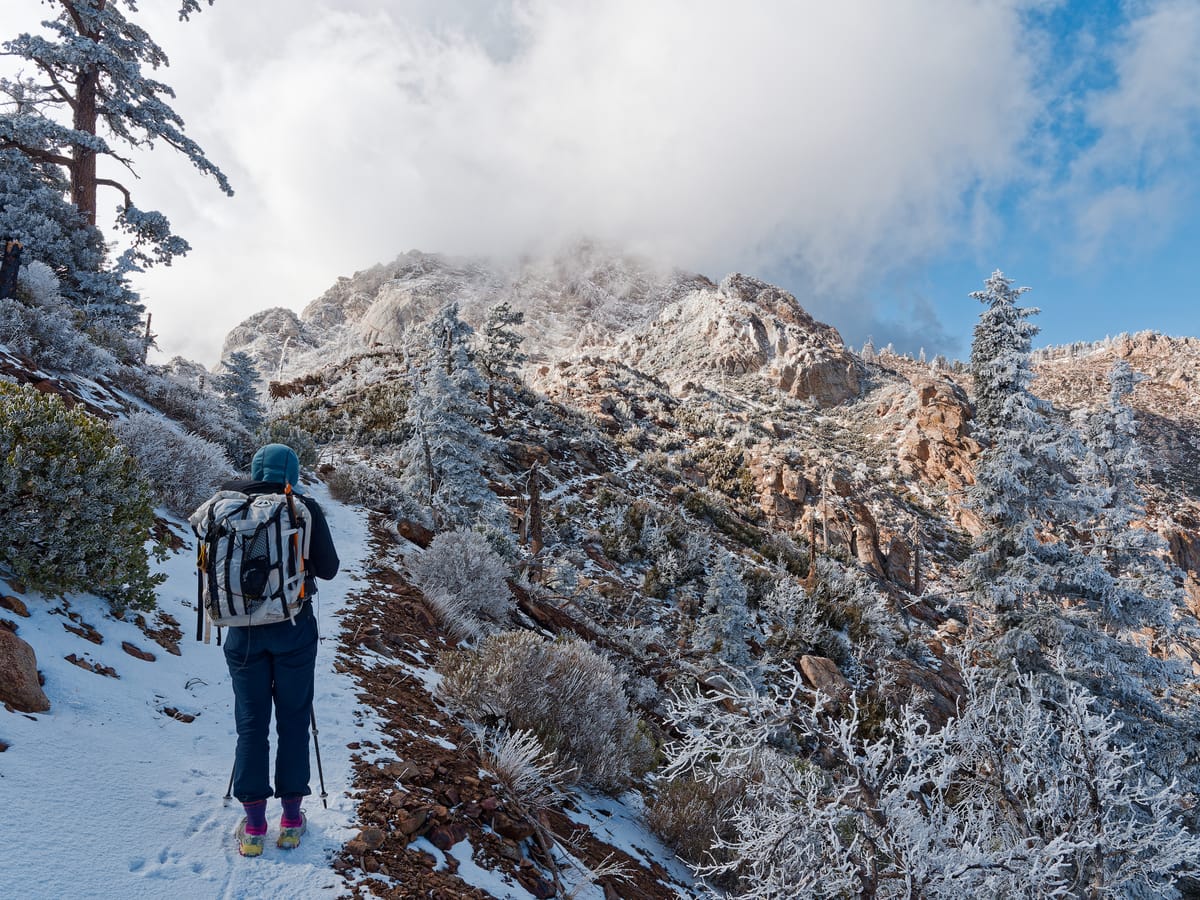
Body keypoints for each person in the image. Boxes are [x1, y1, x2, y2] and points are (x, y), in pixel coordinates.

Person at [222, 444, 339, 857]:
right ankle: (291, 820)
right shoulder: (301, 507)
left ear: (254, 469)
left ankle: (254, 827)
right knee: (293, 719)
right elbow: (328, 568)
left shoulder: (229, 505)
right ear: (293, 472)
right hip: (293, 629)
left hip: (242, 631)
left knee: (251, 724)